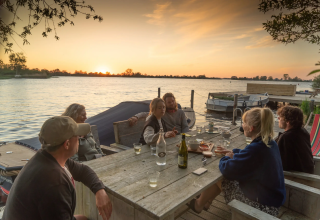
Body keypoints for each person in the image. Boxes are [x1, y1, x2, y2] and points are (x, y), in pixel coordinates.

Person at [2, 116, 112, 220]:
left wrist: (99, 190)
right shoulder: (54, 182)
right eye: (77, 136)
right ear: (67, 144)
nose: (79, 138)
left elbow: (83, 170)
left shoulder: (48, 157)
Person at [188, 108, 286, 217]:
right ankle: (205, 202)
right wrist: (233, 152)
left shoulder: (256, 149)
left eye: (244, 122)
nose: (242, 125)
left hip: (263, 207)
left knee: (222, 176)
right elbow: (249, 157)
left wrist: (225, 158)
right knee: (226, 174)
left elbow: (227, 169)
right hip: (271, 200)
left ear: (251, 128)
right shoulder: (269, 142)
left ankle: (199, 204)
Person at [275, 105, 314, 174]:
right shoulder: (303, 132)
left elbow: (281, 164)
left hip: (297, 178)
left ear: (288, 121)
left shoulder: (286, 137)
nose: (278, 118)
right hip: (308, 173)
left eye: (280, 117)